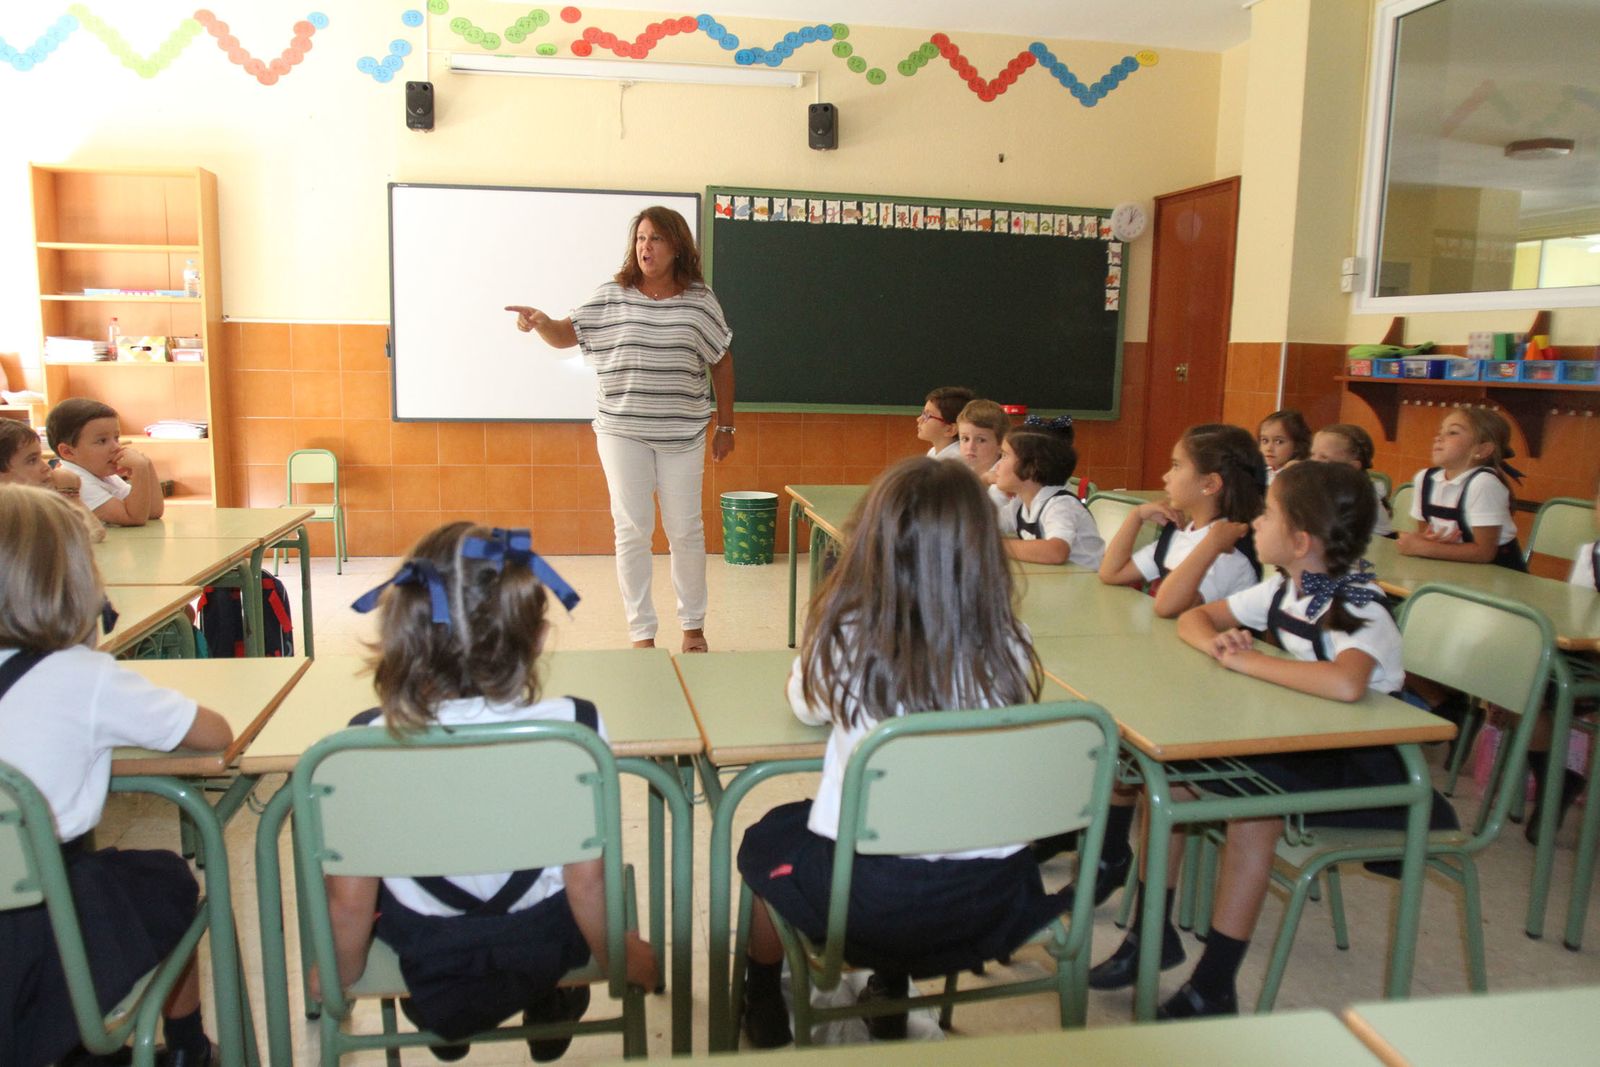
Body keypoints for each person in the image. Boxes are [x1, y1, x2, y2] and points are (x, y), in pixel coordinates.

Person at [1092, 462, 1456, 1017]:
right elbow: (1195, 618)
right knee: (1176, 781)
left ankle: (1214, 983)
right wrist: (1224, 645)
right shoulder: (1287, 587)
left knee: (1252, 811)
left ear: (1301, 540)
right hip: (1306, 750)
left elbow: (1346, 682)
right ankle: (1150, 935)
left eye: (1267, 514)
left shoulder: (1353, 603)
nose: (1256, 521)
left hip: (1378, 777)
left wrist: (1249, 664)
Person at [736, 457, 1063, 1048]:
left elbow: (804, 703)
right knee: (928, 822)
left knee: (765, 838)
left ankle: (759, 991)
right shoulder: (1013, 641)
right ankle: (889, 987)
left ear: (873, 542)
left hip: (867, 906)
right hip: (992, 901)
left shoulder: (848, 634)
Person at [318, 522, 657, 1061]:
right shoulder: (575, 728)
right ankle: (553, 994)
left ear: (401, 635)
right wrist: (622, 959)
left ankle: (440, 1012)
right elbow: (587, 885)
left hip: (429, 943)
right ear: (538, 638)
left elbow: (348, 903)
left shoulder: (358, 744)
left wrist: (336, 976)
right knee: (554, 909)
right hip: (545, 934)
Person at [0, 485, 232, 1067]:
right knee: (170, 883)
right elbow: (213, 734)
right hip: (43, 934)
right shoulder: (82, 675)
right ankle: (184, 1049)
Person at [505, 206, 734, 653]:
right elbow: (566, 334)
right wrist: (541, 323)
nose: (646, 247)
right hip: (621, 429)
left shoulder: (699, 300)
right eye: (641, 239)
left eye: (657, 239)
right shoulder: (614, 295)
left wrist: (726, 424)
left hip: (682, 433)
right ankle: (641, 633)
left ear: (677, 247)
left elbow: (721, 360)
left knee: (684, 528)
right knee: (632, 527)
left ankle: (693, 628)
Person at [1065, 425, 1264, 886]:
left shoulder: (1226, 551)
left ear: (1210, 484)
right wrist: (1137, 519)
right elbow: (1111, 574)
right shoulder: (1185, 535)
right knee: (1117, 741)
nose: (1165, 475)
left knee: (1125, 740)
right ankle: (1111, 856)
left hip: (1211, 696)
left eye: (1176, 466)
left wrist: (1212, 545)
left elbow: (1168, 604)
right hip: (1173, 673)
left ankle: (1109, 859)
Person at [1398, 406, 1525, 571]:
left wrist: (1422, 548)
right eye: (1440, 431)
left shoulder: (1484, 484)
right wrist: (1417, 540)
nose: (1438, 438)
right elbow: (1428, 535)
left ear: (1482, 449)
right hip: (1454, 569)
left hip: (1498, 576)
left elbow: (1484, 553)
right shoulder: (1424, 478)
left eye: (1452, 433)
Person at [991, 426, 1104, 567]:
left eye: (1005, 455)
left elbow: (1056, 552)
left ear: (1031, 468)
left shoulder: (1061, 505)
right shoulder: (1020, 504)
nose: (997, 466)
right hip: (1061, 582)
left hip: (1088, 584)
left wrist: (996, 546)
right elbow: (984, 524)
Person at [45, 397, 165, 526]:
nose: (116, 447)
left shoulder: (103, 475)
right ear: (68, 452)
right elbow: (133, 518)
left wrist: (147, 464)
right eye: (102, 441)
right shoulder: (74, 480)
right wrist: (140, 470)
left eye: (116, 438)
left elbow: (153, 512)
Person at [0, 420, 106, 541]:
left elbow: (96, 534)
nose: (46, 467)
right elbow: (88, 537)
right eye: (32, 460)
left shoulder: (32, 503)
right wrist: (70, 497)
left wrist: (70, 494)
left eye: (40, 458)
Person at [1310, 423, 1391, 538]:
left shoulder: (1359, 499)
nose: (1313, 462)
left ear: (1352, 467)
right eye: (1313, 454)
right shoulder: (1326, 490)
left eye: (1324, 457)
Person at [954, 397, 1007, 488]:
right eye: (965, 439)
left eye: (981, 440)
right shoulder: (960, 474)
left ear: (1001, 445)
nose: (970, 447)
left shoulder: (1002, 482)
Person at [916, 386, 974, 461]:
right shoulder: (933, 452)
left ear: (950, 430)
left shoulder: (955, 462)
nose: (918, 419)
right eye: (923, 413)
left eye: (928, 415)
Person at [1257, 409, 1310, 485]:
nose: (1269, 448)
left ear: (1297, 446)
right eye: (1265, 440)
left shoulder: (1298, 476)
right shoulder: (1260, 472)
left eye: (1279, 442)